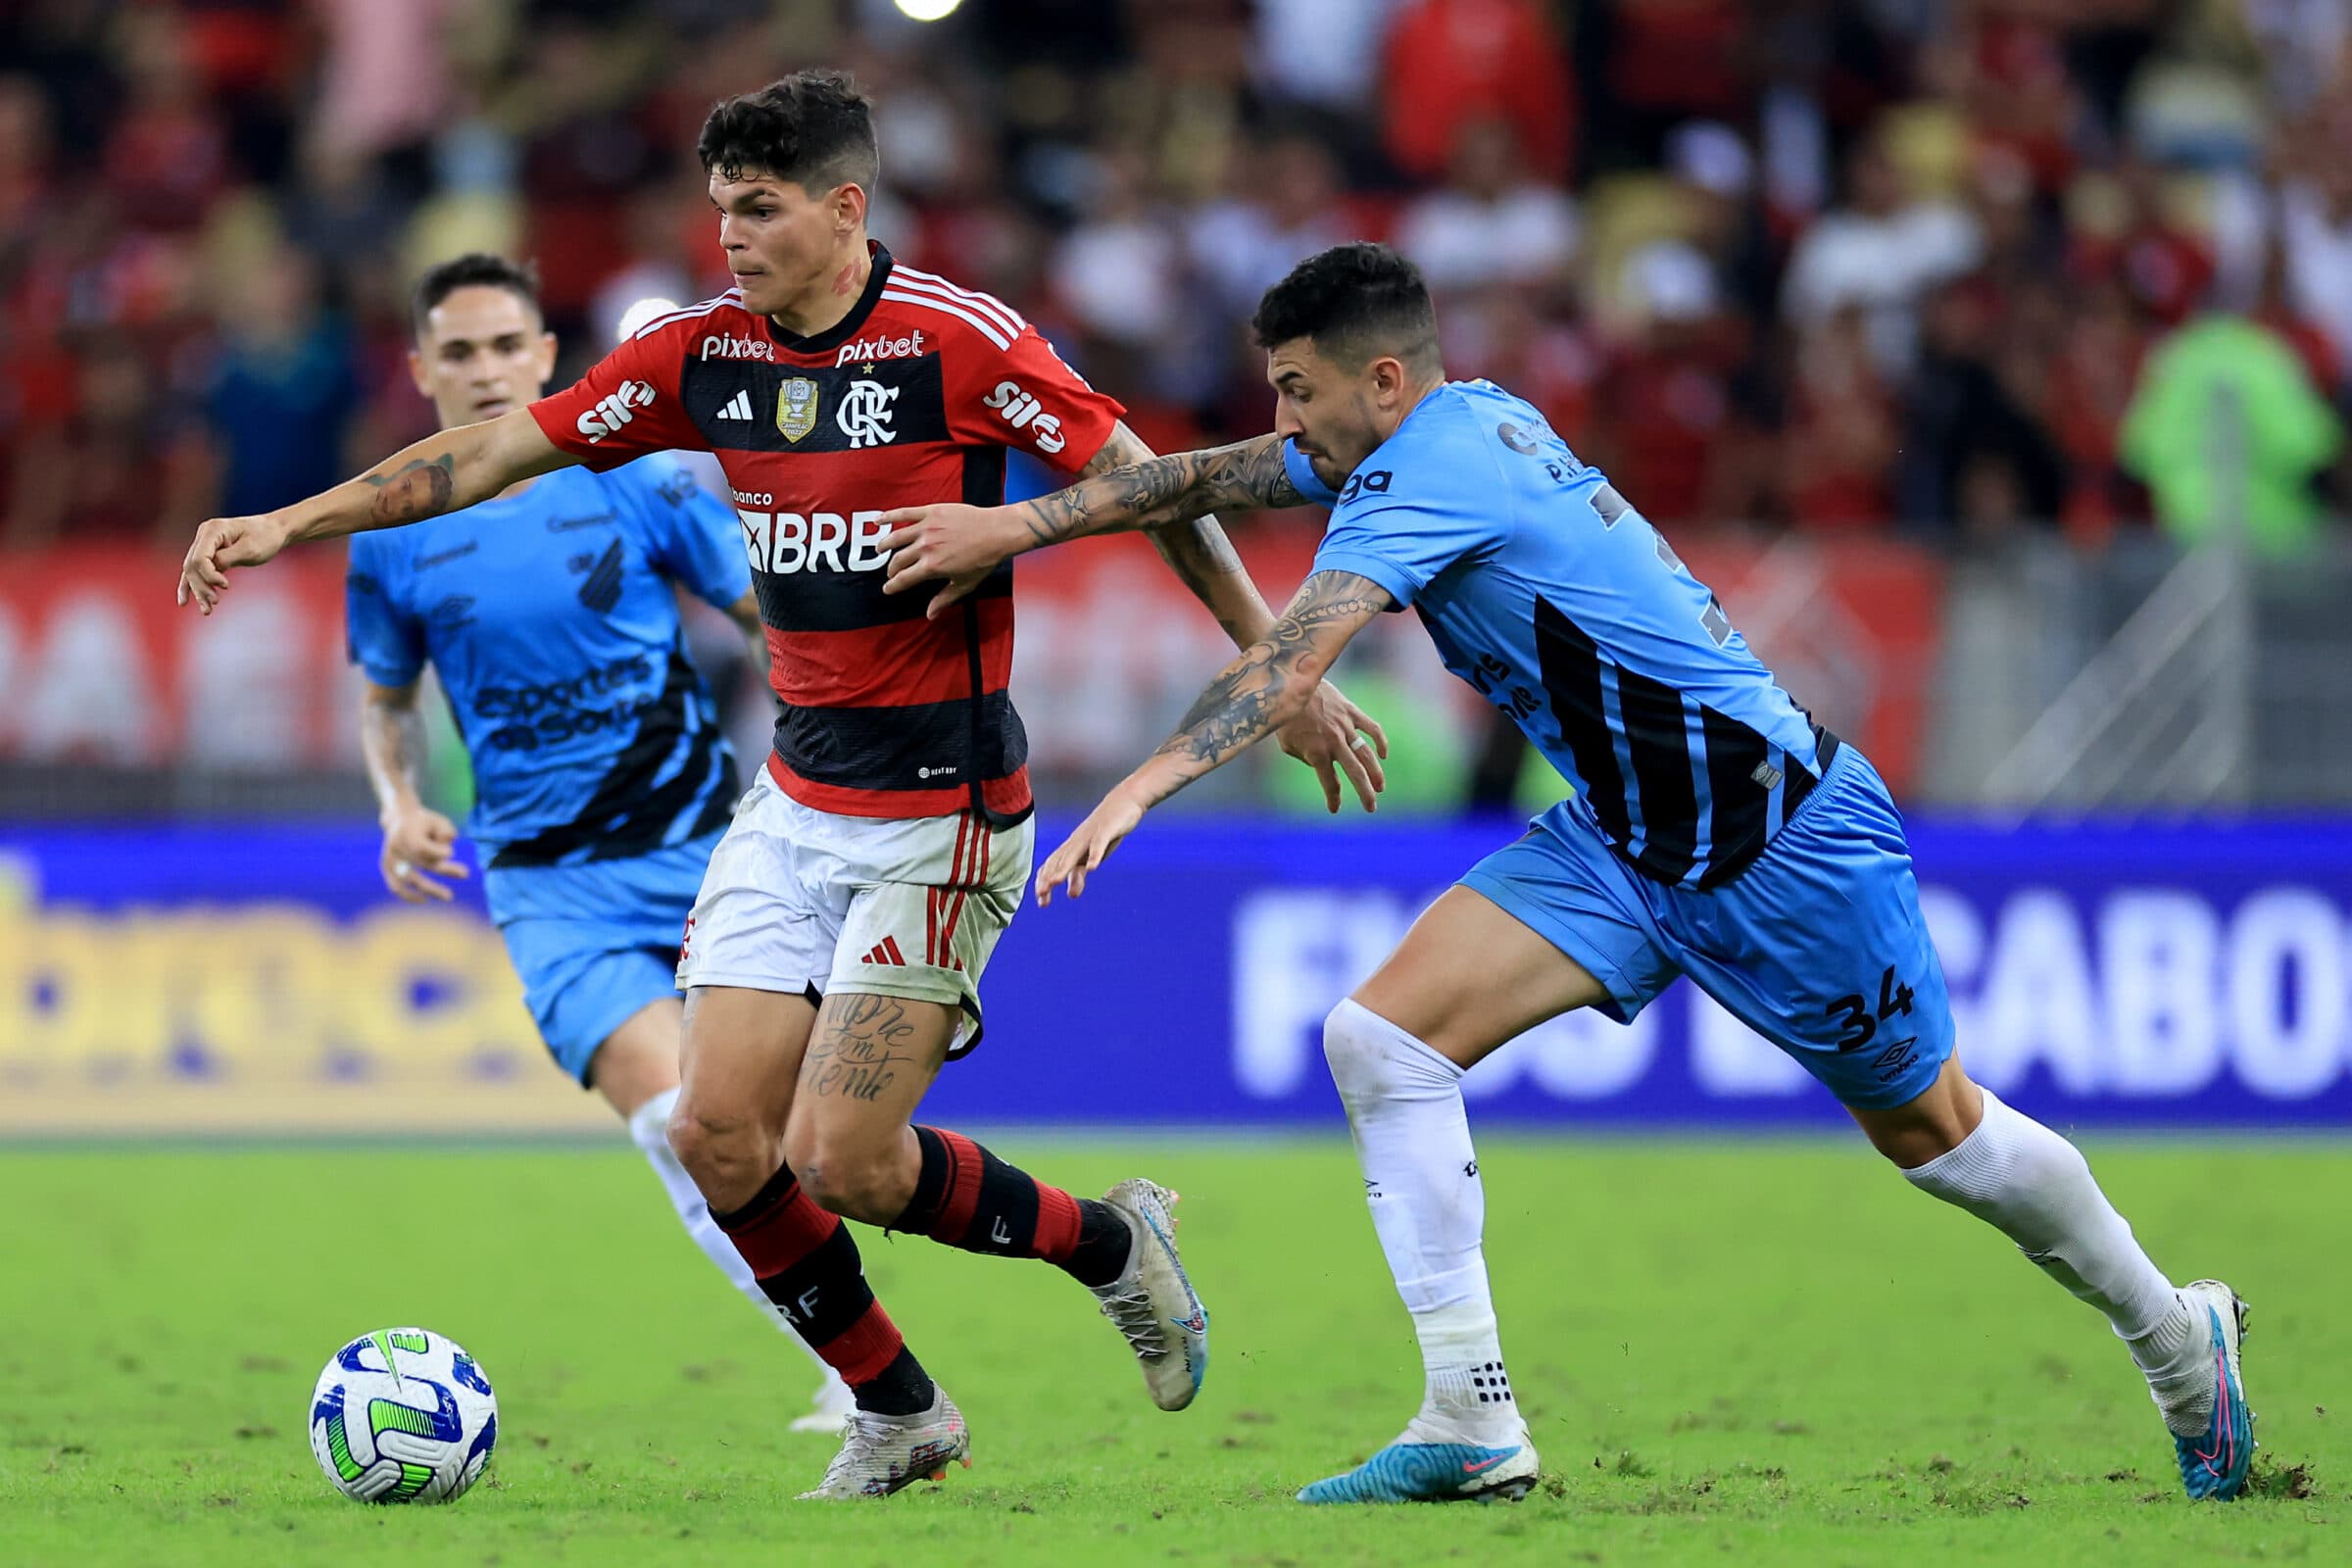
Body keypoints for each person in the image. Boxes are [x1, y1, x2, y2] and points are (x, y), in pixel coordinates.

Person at [873, 242, 2257, 1506]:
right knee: (1381, 1039)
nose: (1284, 420)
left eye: (1297, 390)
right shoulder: (1447, 424)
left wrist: (1135, 790)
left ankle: (2176, 1337)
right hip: (1622, 843)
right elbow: (1200, 479)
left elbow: (1290, 661)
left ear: (1383, 378)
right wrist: (1015, 529)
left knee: (1941, 1136)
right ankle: (1471, 1417)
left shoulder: (1420, 475)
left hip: (1780, 840)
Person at [178, 73, 1387, 1500]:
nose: (731, 237)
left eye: (758, 209)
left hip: (940, 813)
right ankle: (901, 1412)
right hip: (793, 802)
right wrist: (291, 520)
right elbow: (491, 450)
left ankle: (1114, 1243)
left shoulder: (960, 342)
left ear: (844, 206)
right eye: (721, 210)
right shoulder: (700, 355)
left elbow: (1151, 486)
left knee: (842, 1160)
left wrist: (1276, 666)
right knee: (711, 1133)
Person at [344, 253, 850, 1435]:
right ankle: (856, 1370)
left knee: (798, 1143)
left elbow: (767, 619)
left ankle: (865, 1342)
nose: (484, 370)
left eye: (504, 346)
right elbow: (386, 699)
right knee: (676, 1124)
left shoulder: (636, 478)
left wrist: (825, 752)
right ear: (420, 369)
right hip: (550, 885)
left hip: (707, 853)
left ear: (544, 356)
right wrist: (398, 801)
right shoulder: (395, 526)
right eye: (458, 352)